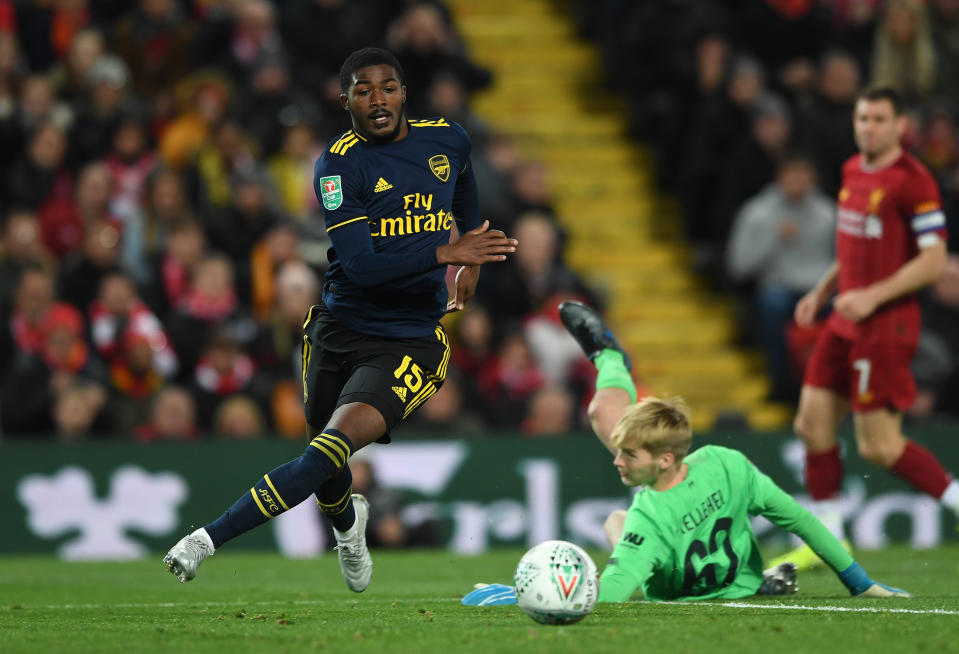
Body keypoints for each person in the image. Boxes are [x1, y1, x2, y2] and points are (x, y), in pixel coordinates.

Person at [163, 47, 517, 592]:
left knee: (328, 448)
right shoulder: (338, 164)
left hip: (410, 340)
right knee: (323, 470)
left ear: (404, 92)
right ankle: (349, 529)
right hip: (340, 325)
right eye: (363, 89)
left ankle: (205, 540)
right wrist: (446, 254)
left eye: (388, 87)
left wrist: (469, 254)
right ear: (344, 98)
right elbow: (363, 266)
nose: (378, 99)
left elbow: (464, 183)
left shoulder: (447, 139)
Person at [463, 302, 908, 605]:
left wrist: (511, 592)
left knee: (608, 469)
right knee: (607, 421)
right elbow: (802, 519)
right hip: (743, 584)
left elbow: (606, 595)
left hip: (686, 572)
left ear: (665, 459)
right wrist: (860, 583)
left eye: (628, 455)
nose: (616, 461)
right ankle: (611, 360)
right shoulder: (727, 464)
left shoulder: (646, 520)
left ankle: (610, 359)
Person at [768, 86, 959, 572]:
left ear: (900, 126)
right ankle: (829, 541)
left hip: (886, 325)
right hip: (844, 318)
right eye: (862, 118)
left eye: (878, 119)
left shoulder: (913, 181)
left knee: (879, 445)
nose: (868, 127)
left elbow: (935, 261)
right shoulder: (853, 170)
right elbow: (852, 246)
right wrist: (822, 289)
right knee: (811, 425)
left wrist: (872, 296)